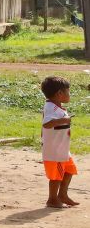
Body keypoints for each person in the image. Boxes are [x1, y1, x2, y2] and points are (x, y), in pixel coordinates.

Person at [41, 76, 77, 208]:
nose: (69, 95)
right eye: (68, 91)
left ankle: (62, 195)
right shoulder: (51, 108)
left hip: (61, 149)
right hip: (54, 151)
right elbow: (47, 124)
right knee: (56, 177)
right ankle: (52, 199)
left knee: (70, 170)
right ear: (60, 94)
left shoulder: (53, 106)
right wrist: (64, 120)